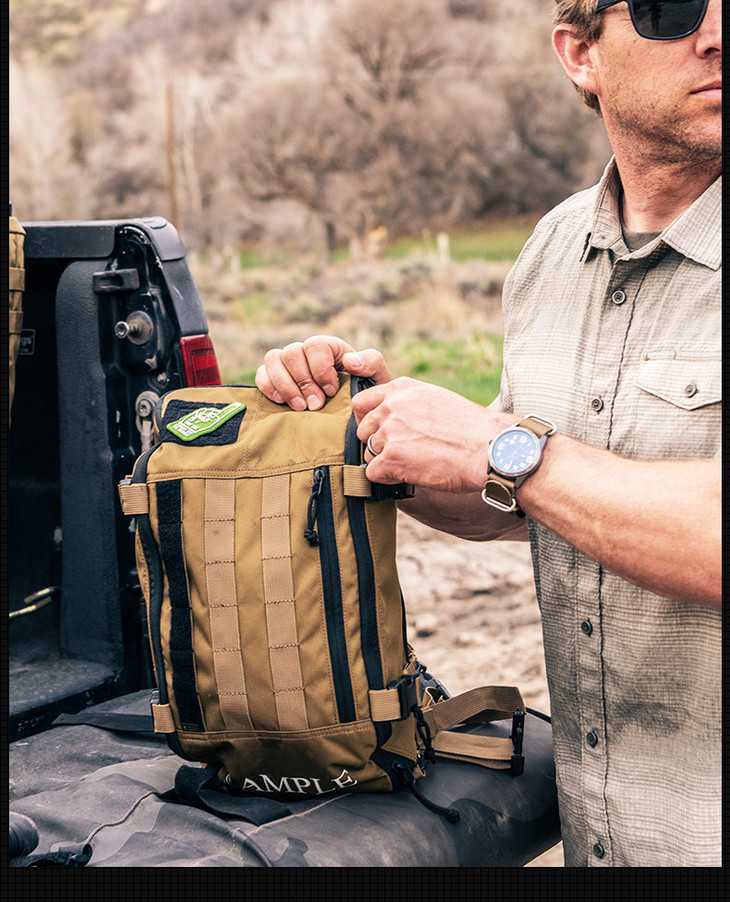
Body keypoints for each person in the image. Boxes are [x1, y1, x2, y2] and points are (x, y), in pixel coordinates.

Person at [255, 0, 721, 867]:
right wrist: (374, 431)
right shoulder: (552, 251)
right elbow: (516, 502)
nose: (717, 33)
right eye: (671, 8)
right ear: (580, 54)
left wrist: (501, 449)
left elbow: (521, 467)